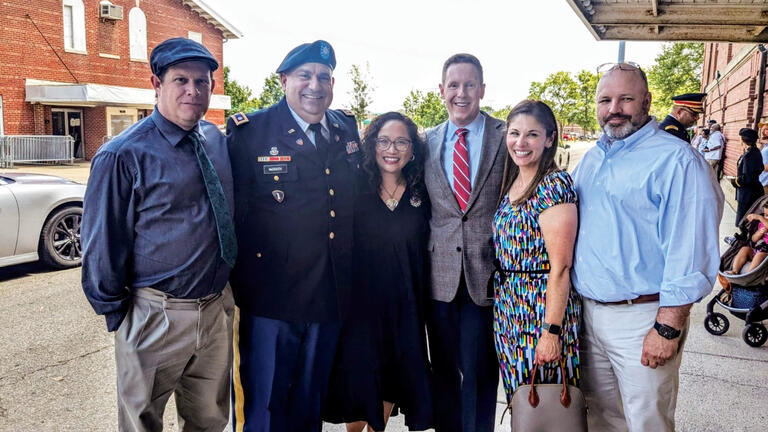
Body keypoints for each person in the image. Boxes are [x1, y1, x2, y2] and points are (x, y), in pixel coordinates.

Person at [81, 37, 236, 431]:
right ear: (156, 83)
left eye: (202, 82)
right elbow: (101, 245)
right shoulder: (122, 154)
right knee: (141, 423)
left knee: (210, 421)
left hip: (215, 310)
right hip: (155, 315)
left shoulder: (215, 140)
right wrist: (122, 317)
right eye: (181, 80)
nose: (192, 90)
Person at [571, 62, 723, 432]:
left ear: (647, 101)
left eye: (626, 98)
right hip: (589, 316)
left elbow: (690, 250)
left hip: (644, 318)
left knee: (646, 423)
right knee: (601, 418)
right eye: (605, 99)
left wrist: (668, 327)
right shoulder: (593, 158)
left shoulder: (676, 160)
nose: (614, 108)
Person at [226, 40, 361, 431]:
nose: (314, 86)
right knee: (264, 409)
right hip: (271, 302)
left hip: (327, 300)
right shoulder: (250, 132)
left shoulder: (344, 128)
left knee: (309, 406)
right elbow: (232, 212)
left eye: (323, 77)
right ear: (284, 80)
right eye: (304, 75)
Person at [324, 112, 433, 432]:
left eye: (401, 142)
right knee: (359, 380)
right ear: (371, 146)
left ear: (412, 149)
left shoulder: (422, 191)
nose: (392, 149)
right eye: (384, 141)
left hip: (405, 308)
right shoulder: (355, 189)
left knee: (391, 380)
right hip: (361, 307)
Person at [423, 53, 506, 432]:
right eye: (453, 85)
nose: (461, 93)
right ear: (441, 90)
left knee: (478, 373)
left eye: (469, 85)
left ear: (482, 90)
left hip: (485, 277)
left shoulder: (507, 136)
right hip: (438, 278)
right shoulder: (425, 142)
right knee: (442, 371)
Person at [491, 100, 580, 411]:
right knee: (523, 403)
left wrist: (551, 332)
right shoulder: (513, 181)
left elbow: (561, 267)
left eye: (532, 134)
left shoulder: (554, 186)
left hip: (540, 310)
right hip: (510, 310)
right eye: (514, 133)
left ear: (550, 139)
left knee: (546, 406)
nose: (521, 142)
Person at [730, 127, 763, 225]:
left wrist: (734, 181)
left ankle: (742, 239)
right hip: (747, 191)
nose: (739, 140)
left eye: (740, 138)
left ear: (744, 139)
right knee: (744, 217)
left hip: (749, 193)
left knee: (744, 219)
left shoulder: (751, 155)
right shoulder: (751, 152)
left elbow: (748, 178)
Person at [728, 202, 768, 274]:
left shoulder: (761, 219)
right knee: (744, 249)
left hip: (765, 254)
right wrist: (759, 233)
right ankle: (734, 271)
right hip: (757, 249)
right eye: (765, 215)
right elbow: (753, 239)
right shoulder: (761, 224)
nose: (765, 217)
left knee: (759, 256)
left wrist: (760, 217)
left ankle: (748, 275)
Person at [758, 121, 768, 194]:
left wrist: (757, 167)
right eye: (763, 129)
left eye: (766, 129)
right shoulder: (765, 145)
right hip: (762, 180)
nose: (763, 131)